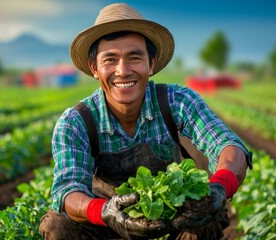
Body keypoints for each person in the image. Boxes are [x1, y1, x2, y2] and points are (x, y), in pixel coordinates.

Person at [39, 3, 252, 240]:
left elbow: (227, 145)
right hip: (106, 221)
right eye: (110, 59)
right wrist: (107, 211)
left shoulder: (176, 101)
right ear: (94, 68)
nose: (123, 71)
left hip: (172, 212)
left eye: (134, 57)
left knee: (206, 212)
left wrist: (221, 187)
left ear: (151, 63)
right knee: (58, 226)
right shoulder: (75, 122)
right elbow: (68, 191)